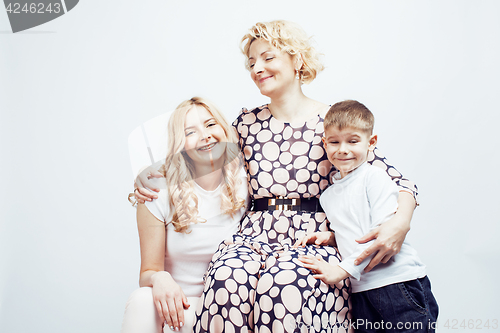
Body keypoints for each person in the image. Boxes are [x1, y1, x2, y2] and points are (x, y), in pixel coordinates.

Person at [135, 21, 419, 333]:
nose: (258, 67)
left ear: (297, 60)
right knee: (227, 277)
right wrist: (147, 174)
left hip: (311, 236)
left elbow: (398, 182)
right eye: (252, 62)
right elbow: (201, 154)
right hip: (252, 235)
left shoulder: (333, 122)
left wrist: (400, 223)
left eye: (268, 58)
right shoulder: (246, 123)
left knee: (284, 283)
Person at [296, 100, 438, 332]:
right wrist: (332, 237)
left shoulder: (375, 178)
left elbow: (382, 233)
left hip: (398, 284)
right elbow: (358, 228)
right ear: (325, 143)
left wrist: (340, 270)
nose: (342, 149)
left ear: (371, 142)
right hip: (362, 289)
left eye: (352, 141)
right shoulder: (329, 195)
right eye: (334, 142)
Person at [121, 97, 248, 333]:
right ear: (180, 144)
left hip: (230, 310)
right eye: (190, 131)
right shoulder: (157, 191)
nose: (205, 135)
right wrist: (160, 278)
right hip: (179, 311)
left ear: (223, 129)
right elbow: (148, 272)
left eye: (210, 125)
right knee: (142, 300)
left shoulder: (247, 185)